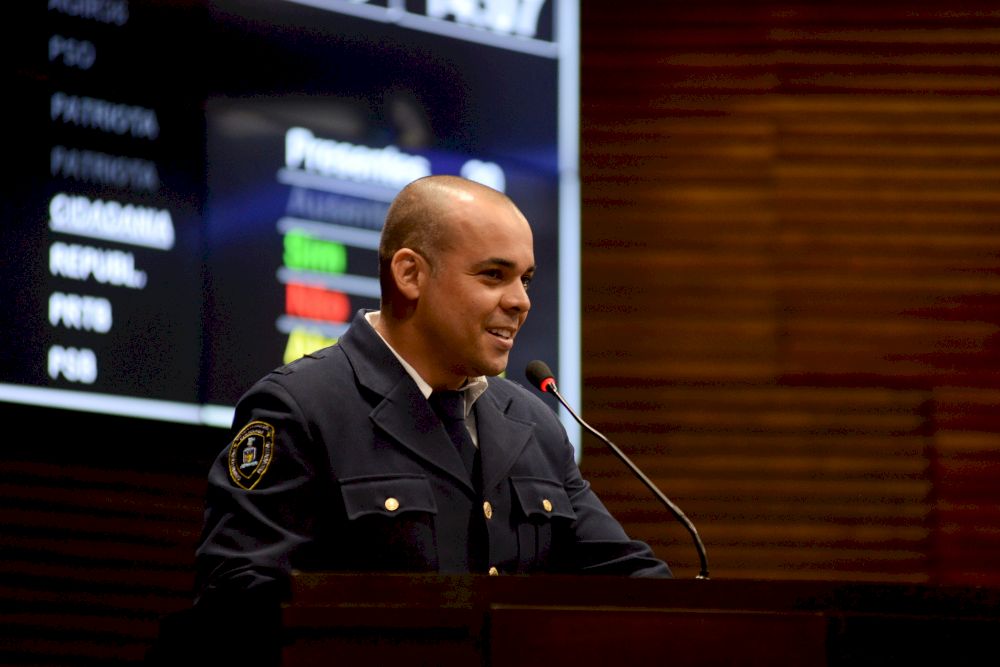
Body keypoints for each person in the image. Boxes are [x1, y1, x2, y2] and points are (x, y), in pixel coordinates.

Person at [148, 175, 669, 665]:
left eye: (525, 279)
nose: (520, 301)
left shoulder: (530, 419)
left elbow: (626, 579)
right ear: (410, 274)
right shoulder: (301, 408)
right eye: (494, 275)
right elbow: (239, 610)